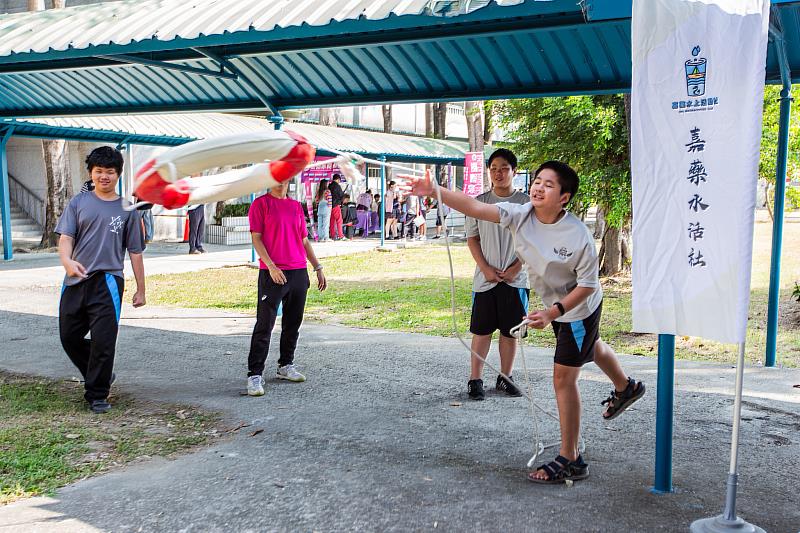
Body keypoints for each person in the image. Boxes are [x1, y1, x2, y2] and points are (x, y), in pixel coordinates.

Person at [408, 160, 646, 484]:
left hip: (577, 308)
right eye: (537, 181)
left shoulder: (578, 236)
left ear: (564, 197)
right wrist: (435, 190)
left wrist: (552, 313)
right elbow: (476, 207)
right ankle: (627, 387)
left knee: (563, 379)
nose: (538, 187)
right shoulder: (521, 215)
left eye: (549, 184)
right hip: (558, 307)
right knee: (592, 346)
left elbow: (588, 285)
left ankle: (571, 459)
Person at [56, 146, 146, 414]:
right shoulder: (78, 203)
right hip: (75, 279)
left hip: (108, 282)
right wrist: (66, 261)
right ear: (91, 173)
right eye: (99, 171)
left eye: (110, 172)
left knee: (104, 341)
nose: (104, 176)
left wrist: (141, 289)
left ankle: (97, 394)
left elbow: (135, 252)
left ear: (118, 174)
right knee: (68, 337)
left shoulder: (128, 209)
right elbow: (66, 238)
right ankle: (101, 375)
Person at [246, 180, 327, 397]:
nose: (282, 181)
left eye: (286, 176)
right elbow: (256, 238)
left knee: (293, 323)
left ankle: (286, 365)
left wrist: (317, 266)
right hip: (272, 273)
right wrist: (271, 266)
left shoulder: (295, 206)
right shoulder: (261, 205)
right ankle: (254, 374)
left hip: (298, 271)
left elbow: (304, 240)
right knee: (265, 324)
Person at [464, 148, 530, 401]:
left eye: (504, 168)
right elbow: (472, 239)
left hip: (516, 280)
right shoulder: (478, 202)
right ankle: (475, 379)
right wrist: (486, 268)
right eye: (493, 168)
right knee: (481, 332)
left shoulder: (526, 203)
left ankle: (506, 377)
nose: (498, 173)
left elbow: (531, 241)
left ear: (514, 171)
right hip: (485, 280)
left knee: (510, 332)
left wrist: (516, 266)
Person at [328, 173, 345, 240]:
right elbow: (341, 196)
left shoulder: (329, 185)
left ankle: (333, 235)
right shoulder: (337, 186)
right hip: (336, 205)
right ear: (338, 179)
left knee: (332, 221)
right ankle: (341, 235)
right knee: (339, 220)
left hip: (329, 206)